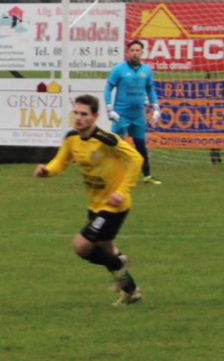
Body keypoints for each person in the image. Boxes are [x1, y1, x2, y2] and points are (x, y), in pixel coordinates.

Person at [34, 94, 145, 306]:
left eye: (84, 114)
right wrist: (47, 170)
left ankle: (120, 263)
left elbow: (136, 158)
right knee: (106, 250)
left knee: (81, 246)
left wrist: (122, 190)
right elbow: (61, 161)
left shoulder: (107, 140)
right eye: (75, 113)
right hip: (95, 205)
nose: (78, 118)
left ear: (95, 117)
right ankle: (132, 292)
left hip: (114, 206)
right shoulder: (71, 139)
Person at [104, 39, 162, 184]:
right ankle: (110, 175)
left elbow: (150, 89)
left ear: (142, 52)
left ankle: (147, 175)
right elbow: (108, 88)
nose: (135, 53)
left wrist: (156, 108)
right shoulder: (119, 69)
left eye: (138, 50)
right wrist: (110, 109)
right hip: (120, 114)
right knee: (115, 145)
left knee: (141, 145)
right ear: (128, 52)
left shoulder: (146, 70)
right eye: (132, 50)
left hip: (138, 115)